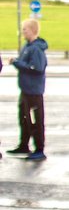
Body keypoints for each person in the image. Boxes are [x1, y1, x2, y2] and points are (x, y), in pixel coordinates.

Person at [9, 18, 49, 161]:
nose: (22, 32)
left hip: (34, 92)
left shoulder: (36, 49)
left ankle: (39, 149)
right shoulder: (27, 47)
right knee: (24, 119)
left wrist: (17, 63)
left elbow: (37, 68)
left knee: (36, 121)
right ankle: (24, 145)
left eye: (25, 29)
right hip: (25, 90)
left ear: (32, 30)